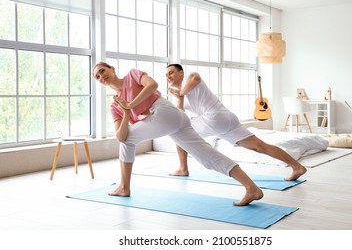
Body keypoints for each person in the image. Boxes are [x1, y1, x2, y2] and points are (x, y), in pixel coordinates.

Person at [92, 61, 263, 206]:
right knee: (208, 157)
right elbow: (120, 136)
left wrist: (130, 105)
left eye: (102, 71)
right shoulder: (115, 105)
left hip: (164, 111)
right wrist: (127, 112)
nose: (101, 76)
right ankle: (252, 188)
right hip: (175, 121)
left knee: (128, 140)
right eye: (97, 77)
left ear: (112, 69)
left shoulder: (132, 75)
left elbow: (153, 85)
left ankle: (124, 187)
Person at [165, 63, 307, 181]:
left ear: (181, 73)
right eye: (166, 75)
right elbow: (180, 116)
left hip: (214, 118)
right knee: (259, 146)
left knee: (179, 132)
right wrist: (179, 98)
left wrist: (181, 94)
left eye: (171, 73)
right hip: (226, 120)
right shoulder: (176, 94)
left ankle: (183, 168)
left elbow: (195, 78)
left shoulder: (190, 78)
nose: (168, 77)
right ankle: (297, 167)